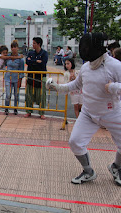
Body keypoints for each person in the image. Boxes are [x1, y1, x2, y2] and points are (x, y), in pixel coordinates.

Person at [46, 32, 121, 186]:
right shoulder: (86, 67)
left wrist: (112, 87)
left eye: (88, 46)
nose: (85, 49)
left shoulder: (115, 66)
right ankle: (88, 172)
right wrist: (57, 87)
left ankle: (116, 167)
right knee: (75, 142)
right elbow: (75, 85)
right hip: (88, 113)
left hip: (112, 112)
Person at [25, 37, 48, 120]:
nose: (33, 45)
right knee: (29, 95)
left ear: (39, 44)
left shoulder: (44, 53)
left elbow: (42, 64)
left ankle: (41, 113)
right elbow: (27, 62)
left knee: (41, 96)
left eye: (34, 43)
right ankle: (28, 111)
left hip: (41, 77)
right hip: (31, 76)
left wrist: (33, 61)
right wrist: (36, 61)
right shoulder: (30, 52)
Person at [5, 42, 25, 115]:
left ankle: (15, 108)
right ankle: (6, 107)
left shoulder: (21, 59)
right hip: (8, 78)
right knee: (8, 94)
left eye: (15, 47)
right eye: (12, 47)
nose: (13, 49)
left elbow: (22, 71)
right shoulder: (8, 57)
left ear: (17, 48)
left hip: (16, 78)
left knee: (16, 94)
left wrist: (20, 80)